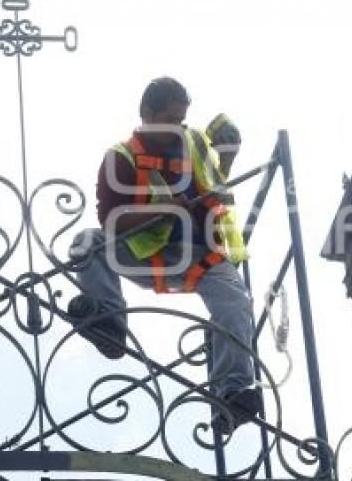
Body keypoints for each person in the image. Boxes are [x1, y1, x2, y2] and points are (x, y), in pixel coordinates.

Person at [68, 76, 259, 434]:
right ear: (146, 113)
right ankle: (109, 324)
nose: (177, 127)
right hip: (147, 253)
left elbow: (216, 177)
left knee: (235, 303)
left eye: (182, 119)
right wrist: (163, 211)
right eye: (170, 119)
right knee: (86, 242)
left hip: (204, 256)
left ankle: (231, 398)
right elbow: (111, 222)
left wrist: (229, 151)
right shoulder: (121, 158)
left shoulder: (193, 143)